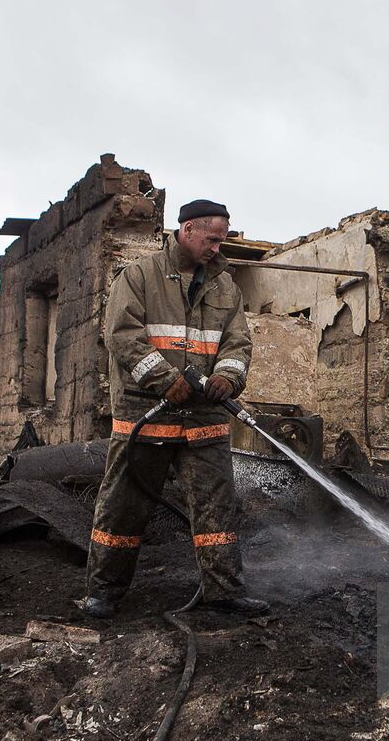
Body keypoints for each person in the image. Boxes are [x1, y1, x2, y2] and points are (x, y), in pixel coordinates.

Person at [80, 199, 268, 619]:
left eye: (222, 240)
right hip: (147, 414)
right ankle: (104, 592)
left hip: (204, 419)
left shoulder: (226, 288)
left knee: (217, 508)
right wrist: (165, 380)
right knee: (123, 505)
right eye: (211, 239)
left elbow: (238, 343)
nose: (217, 248)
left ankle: (223, 591)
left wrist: (228, 377)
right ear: (186, 230)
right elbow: (122, 334)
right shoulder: (139, 276)